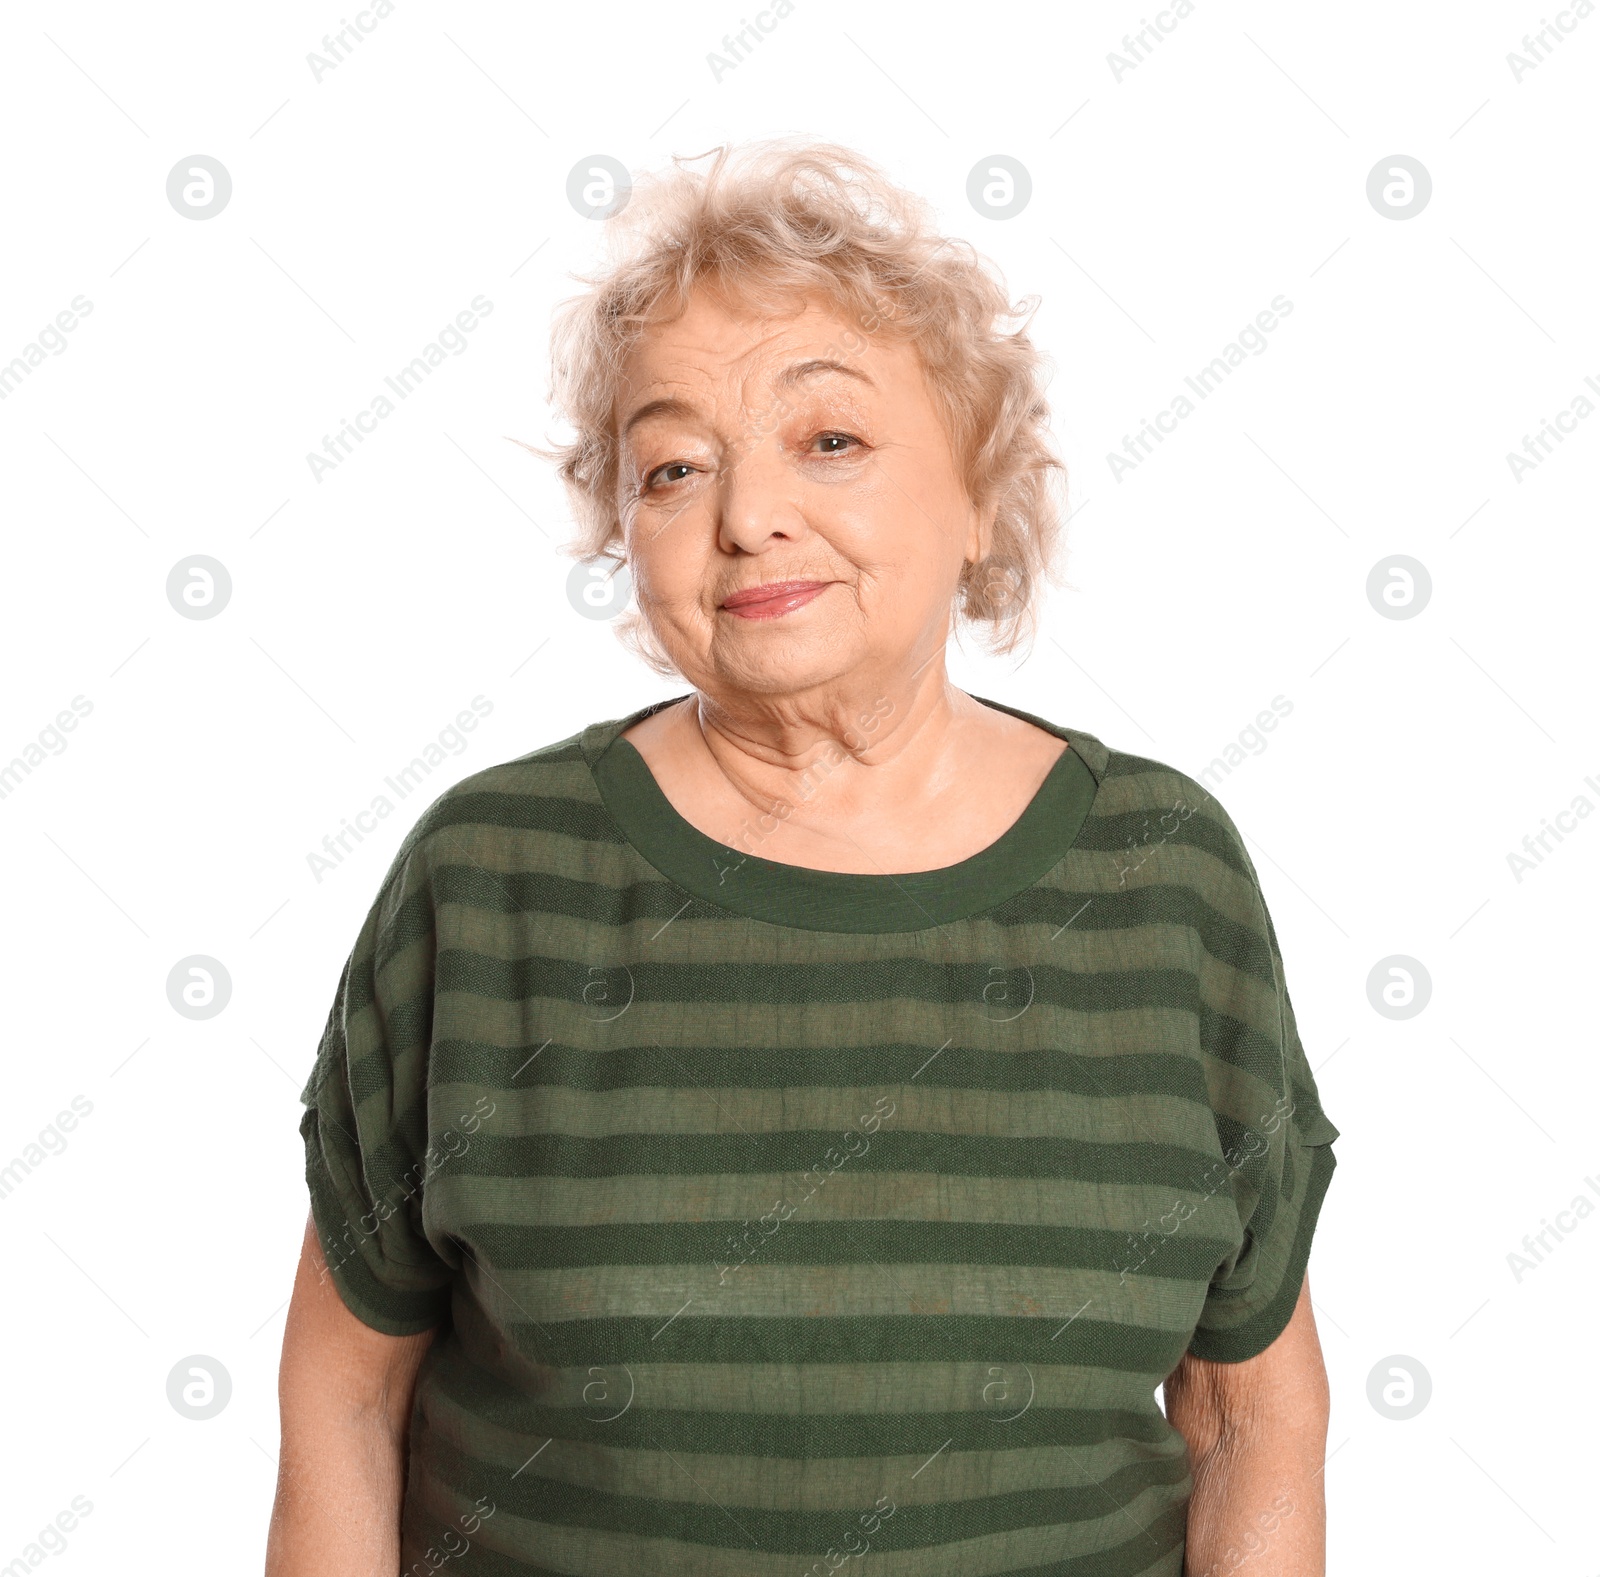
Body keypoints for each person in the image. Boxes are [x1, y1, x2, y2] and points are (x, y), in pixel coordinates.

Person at [266, 140, 1339, 1577]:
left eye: (827, 439)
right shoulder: (490, 878)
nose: (747, 512)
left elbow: (1248, 1409)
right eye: (672, 464)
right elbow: (342, 1390)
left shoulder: (1165, 875)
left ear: (979, 495)